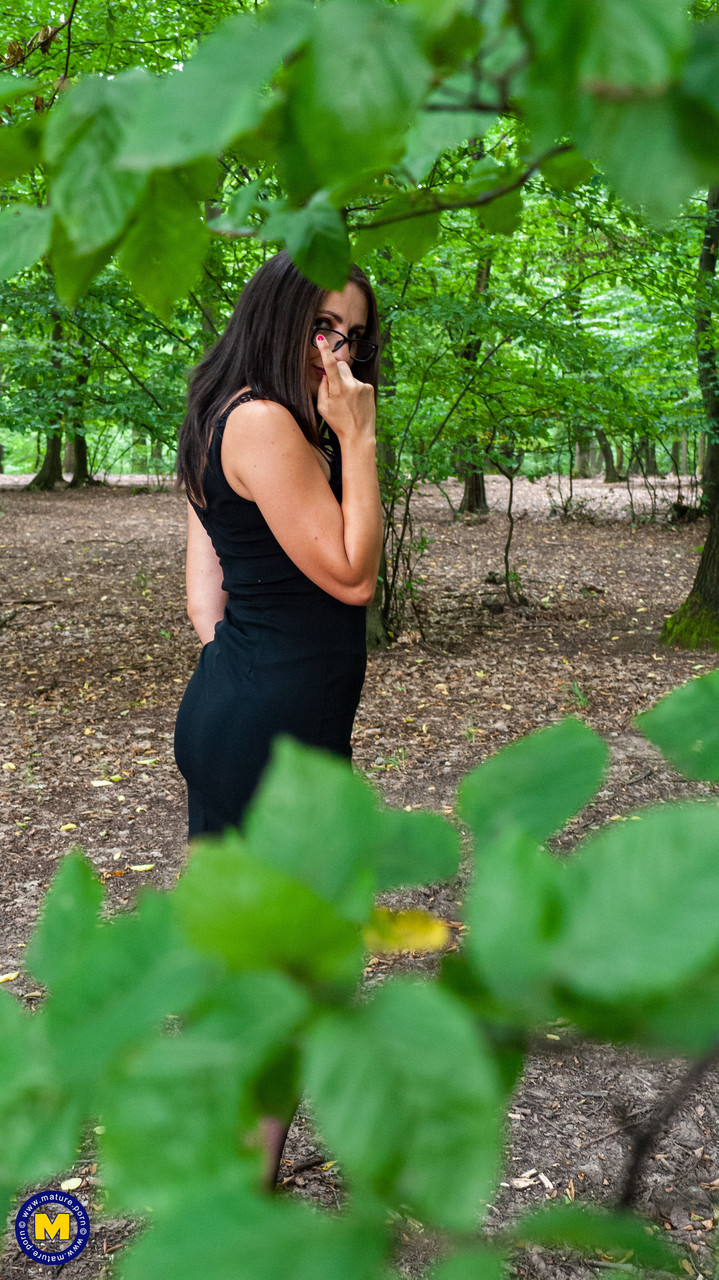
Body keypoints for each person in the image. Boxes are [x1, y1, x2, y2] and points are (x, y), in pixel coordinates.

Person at [174, 251, 382, 839]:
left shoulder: (221, 413)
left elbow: (204, 601)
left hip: (247, 713)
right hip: (274, 733)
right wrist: (358, 437)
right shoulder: (263, 422)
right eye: (321, 326)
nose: (338, 353)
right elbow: (354, 579)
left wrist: (248, 680)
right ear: (275, 315)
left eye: (353, 336)